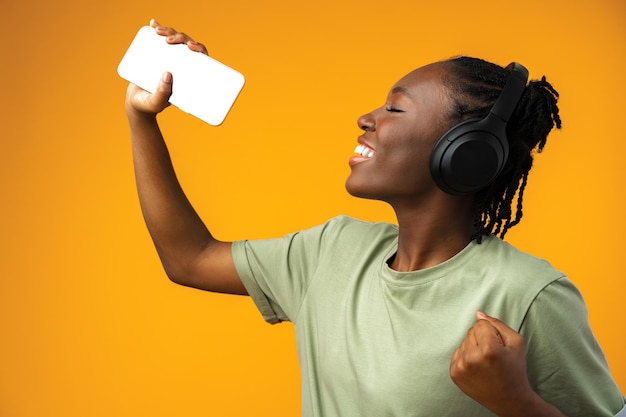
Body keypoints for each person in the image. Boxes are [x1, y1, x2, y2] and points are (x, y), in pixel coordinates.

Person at [125, 19, 626, 417]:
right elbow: (189, 260)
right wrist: (141, 118)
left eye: (396, 108)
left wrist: (519, 405)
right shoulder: (332, 250)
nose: (367, 118)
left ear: (465, 151)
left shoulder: (529, 294)